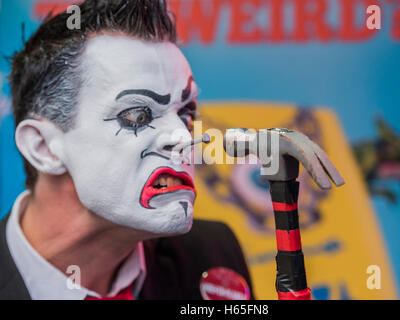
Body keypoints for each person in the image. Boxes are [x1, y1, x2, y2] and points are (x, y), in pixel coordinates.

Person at [0, 0, 252, 300]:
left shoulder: (212, 252)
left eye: (186, 113)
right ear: (43, 148)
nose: (184, 137)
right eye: (138, 115)